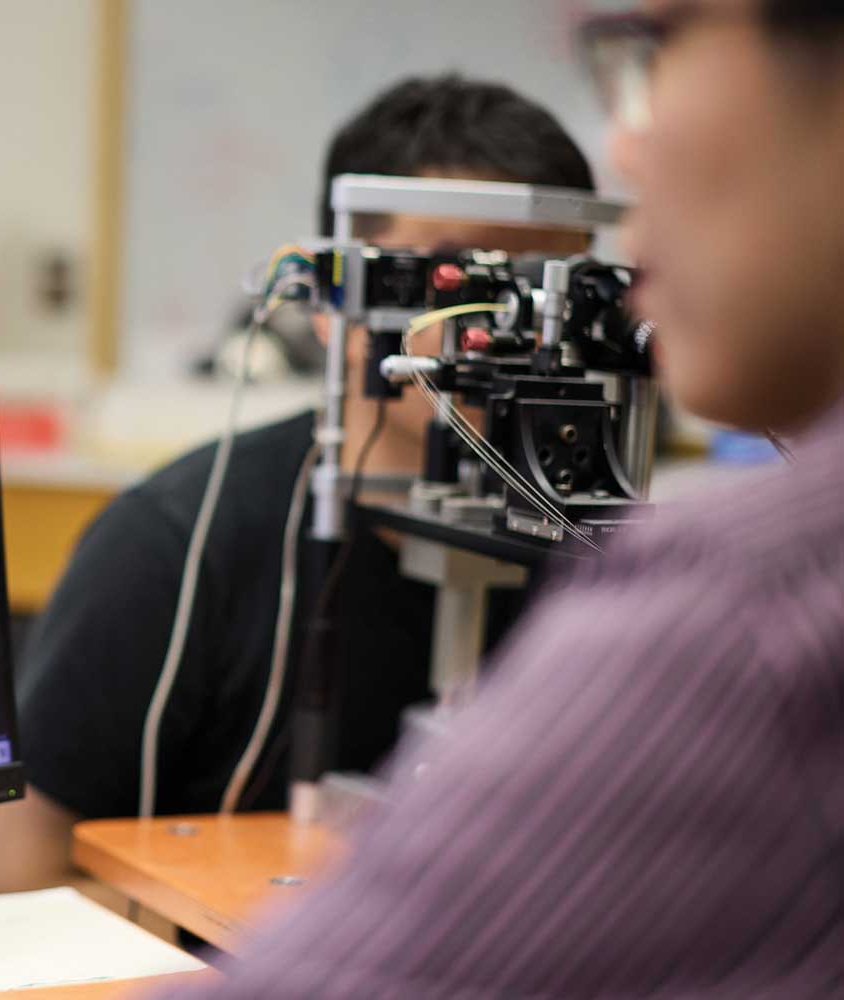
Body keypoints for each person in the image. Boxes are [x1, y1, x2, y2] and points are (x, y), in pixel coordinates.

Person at [160, 0, 844, 993]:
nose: (630, 146)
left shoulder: (737, 608)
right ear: (342, 301)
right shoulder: (193, 530)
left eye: (651, 49)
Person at [0, 76, 594, 892]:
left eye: (544, 290)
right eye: (461, 284)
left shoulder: (607, 556)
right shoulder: (177, 541)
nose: (506, 336)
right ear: (332, 299)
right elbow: (30, 864)